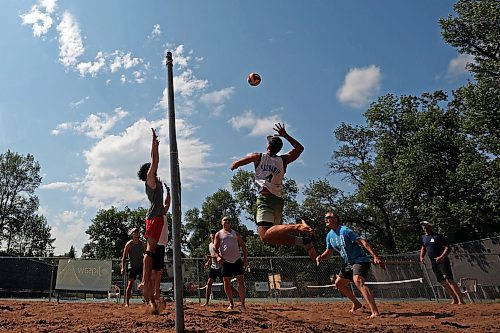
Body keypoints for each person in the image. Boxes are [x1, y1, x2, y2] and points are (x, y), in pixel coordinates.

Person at [230, 122, 316, 261]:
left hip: (265, 199)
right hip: (278, 200)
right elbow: (300, 149)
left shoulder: (258, 156)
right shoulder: (283, 160)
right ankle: (303, 242)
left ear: (268, 146)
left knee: (264, 236)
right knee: (272, 236)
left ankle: (298, 226)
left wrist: (236, 165)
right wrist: (285, 135)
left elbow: (238, 162)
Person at [316, 212, 385, 318]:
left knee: (358, 281)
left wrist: (375, 256)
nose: (326, 219)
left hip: (360, 260)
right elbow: (328, 253)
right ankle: (357, 304)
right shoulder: (329, 235)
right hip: (349, 263)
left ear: (336, 219)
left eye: (329, 217)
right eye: (325, 217)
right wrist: (321, 257)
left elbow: (363, 243)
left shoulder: (345, 230)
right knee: (339, 284)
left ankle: (375, 312)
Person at [137, 128, 167, 312]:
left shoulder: (155, 183)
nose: (154, 170)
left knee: (153, 251)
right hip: (153, 219)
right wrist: (154, 144)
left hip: (158, 218)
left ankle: (146, 284)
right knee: (150, 249)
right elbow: (155, 160)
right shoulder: (150, 180)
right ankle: (143, 281)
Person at [419, 220, 464, 305]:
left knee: (449, 279)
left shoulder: (438, 236)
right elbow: (423, 247)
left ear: (429, 226)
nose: (424, 227)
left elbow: (447, 248)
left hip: (442, 261)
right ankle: (454, 299)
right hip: (433, 262)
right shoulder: (423, 238)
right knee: (441, 281)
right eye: (423, 226)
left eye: (425, 225)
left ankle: (460, 300)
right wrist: (421, 257)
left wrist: (441, 257)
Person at [213, 217, 248, 310]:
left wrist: (245, 259)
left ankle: (243, 303)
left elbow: (243, 246)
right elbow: (215, 248)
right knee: (226, 283)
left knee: (240, 280)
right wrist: (218, 257)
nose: (226, 222)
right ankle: (231, 303)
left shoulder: (235, 233)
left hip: (237, 260)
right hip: (226, 261)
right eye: (225, 220)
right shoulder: (218, 234)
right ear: (221, 222)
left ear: (230, 224)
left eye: (228, 221)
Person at [201, 231, 239, 306]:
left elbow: (221, 256)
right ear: (210, 236)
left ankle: (240, 297)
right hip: (213, 267)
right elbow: (211, 256)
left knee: (227, 285)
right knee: (209, 284)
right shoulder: (210, 245)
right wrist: (208, 262)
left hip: (221, 267)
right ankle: (207, 302)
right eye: (212, 235)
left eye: (214, 235)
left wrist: (210, 257)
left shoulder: (220, 244)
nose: (213, 237)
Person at [151, 183, 171, 311]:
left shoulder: (163, 213)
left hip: (162, 245)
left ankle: (156, 295)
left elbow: (167, 203)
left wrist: (168, 192)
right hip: (156, 244)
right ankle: (153, 297)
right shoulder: (154, 214)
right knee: (154, 273)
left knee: (158, 272)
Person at [120, 227, 145, 307]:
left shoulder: (142, 244)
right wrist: (122, 267)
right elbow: (124, 257)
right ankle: (127, 302)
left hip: (141, 266)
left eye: (137, 232)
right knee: (130, 284)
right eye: (135, 232)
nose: (136, 233)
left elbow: (146, 255)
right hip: (132, 267)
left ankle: (147, 300)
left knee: (144, 284)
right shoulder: (129, 244)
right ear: (132, 234)